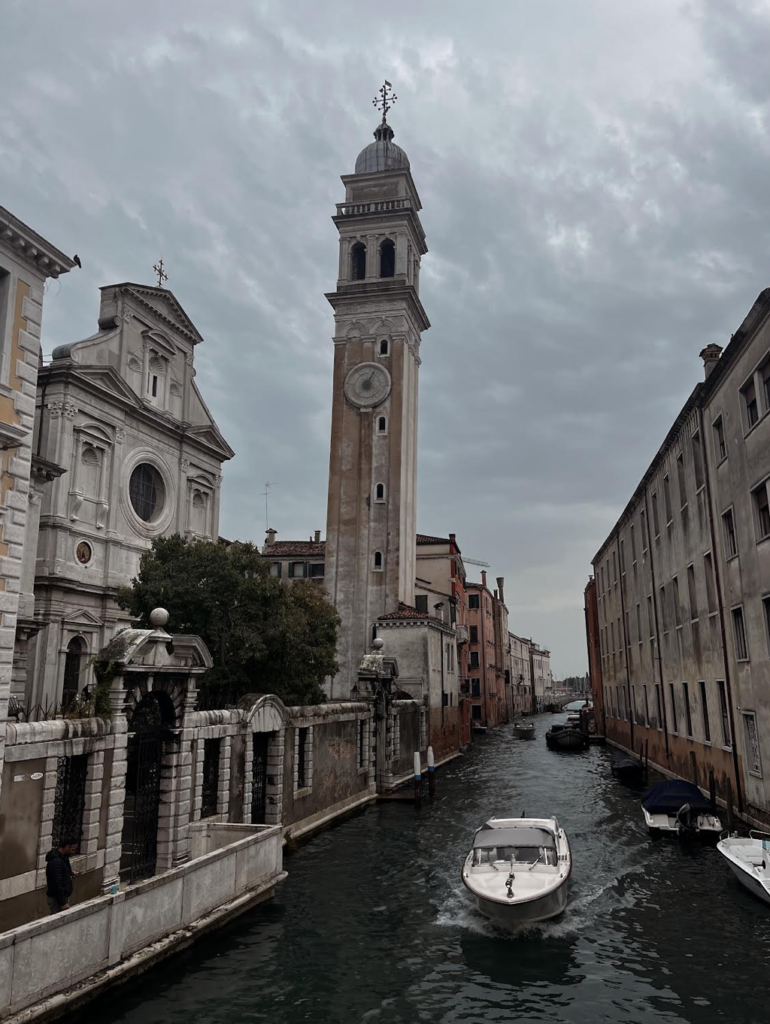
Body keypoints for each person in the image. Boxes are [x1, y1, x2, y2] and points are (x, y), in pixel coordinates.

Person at [45, 839, 77, 914]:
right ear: (67, 847)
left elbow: (62, 871)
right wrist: (63, 903)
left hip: (62, 897)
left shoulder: (64, 857)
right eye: (73, 849)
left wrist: (70, 873)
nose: (74, 852)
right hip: (57, 899)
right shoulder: (56, 861)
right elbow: (57, 882)